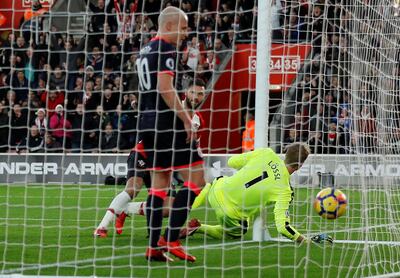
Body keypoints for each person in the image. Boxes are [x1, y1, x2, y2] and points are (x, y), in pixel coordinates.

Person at [93, 80, 206, 239]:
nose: (196, 97)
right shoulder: (171, 105)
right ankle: (101, 227)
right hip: (144, 153)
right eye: (193, 92)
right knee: (133, 188)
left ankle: (126, 210)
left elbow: (195, 146)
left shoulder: (198, 120)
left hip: (163, 162)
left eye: (200, 94)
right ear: (185, 93)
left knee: (169, 208)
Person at [180, 143, 333, 244]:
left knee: (211, 184)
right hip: (229, 213)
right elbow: (283, 228)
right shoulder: (285, 191)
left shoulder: (266, 153)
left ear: (285, 153)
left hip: (217, 190)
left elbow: (232, 161)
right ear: (300, 166)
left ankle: (179, 212)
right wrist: (306, 241)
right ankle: (198, 228)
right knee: (238, 231)